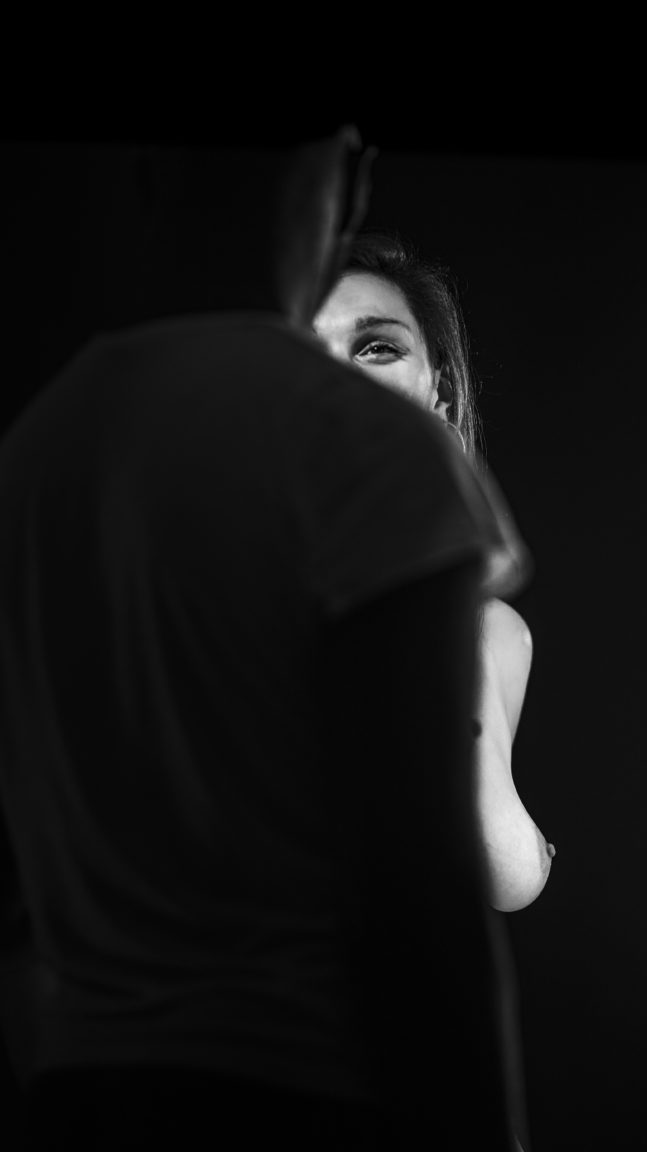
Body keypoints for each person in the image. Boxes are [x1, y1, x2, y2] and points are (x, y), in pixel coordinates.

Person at [0, 133, 530, 1150]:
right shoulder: (362, 444)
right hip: (311, 1088)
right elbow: (422, 889)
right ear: (348, 178)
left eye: (380, 346)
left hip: (82, 1093)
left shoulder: (41, 446)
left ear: (149, 175)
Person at [313, 231, 556, 913]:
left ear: (440, 394)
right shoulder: (209, 596)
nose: (339, 380)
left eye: (376, 348)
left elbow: (497, 870)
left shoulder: (493, 632)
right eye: (302, 354)